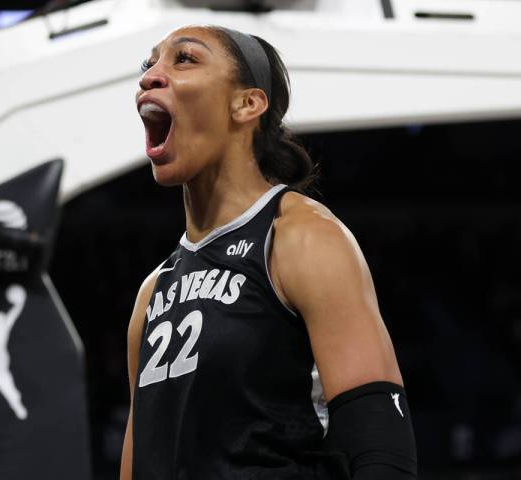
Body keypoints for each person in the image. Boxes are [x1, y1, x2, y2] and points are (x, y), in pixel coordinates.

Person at [121, 24, 417, 479]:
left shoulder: (301, 236)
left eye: (184, 59)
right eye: (149, 63)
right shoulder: (152, 292)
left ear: (247, 104)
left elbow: (380, 444)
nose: (150, 76)